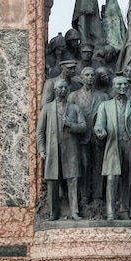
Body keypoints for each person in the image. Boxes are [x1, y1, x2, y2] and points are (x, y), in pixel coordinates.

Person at [94, 76, 131, 220]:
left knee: (128, 179)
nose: (122, 87)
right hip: (113, 145)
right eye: (119, 84)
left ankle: (124, 210)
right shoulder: (105, 105)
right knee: (112, 178)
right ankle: (110, 213)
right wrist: (100, 130)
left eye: (125, 84)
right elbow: (99, 124)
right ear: (113, 87)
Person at [37, 78, 86, 220]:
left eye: (65, 88)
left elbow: (83, 126)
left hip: (70, 149)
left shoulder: (74, 108)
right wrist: (41, 150)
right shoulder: (47, 108)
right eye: (60, 88)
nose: (63, 90)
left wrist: (71, 124)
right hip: (52, 150)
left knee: (73, 180)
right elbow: (40, 131)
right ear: (55, 90)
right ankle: (53, 213)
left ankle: (74, 211)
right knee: (52, 181)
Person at [68, 67, 108, 204]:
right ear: (81, 77)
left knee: (99, 165)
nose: (90, 77)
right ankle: (84, 195)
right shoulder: (74, 96)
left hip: (98, 136)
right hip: (81, 136)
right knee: (84, 165)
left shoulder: (103, 96)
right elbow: (69, 116)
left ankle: (97, 196)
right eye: (87, 75)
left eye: (92, 75)